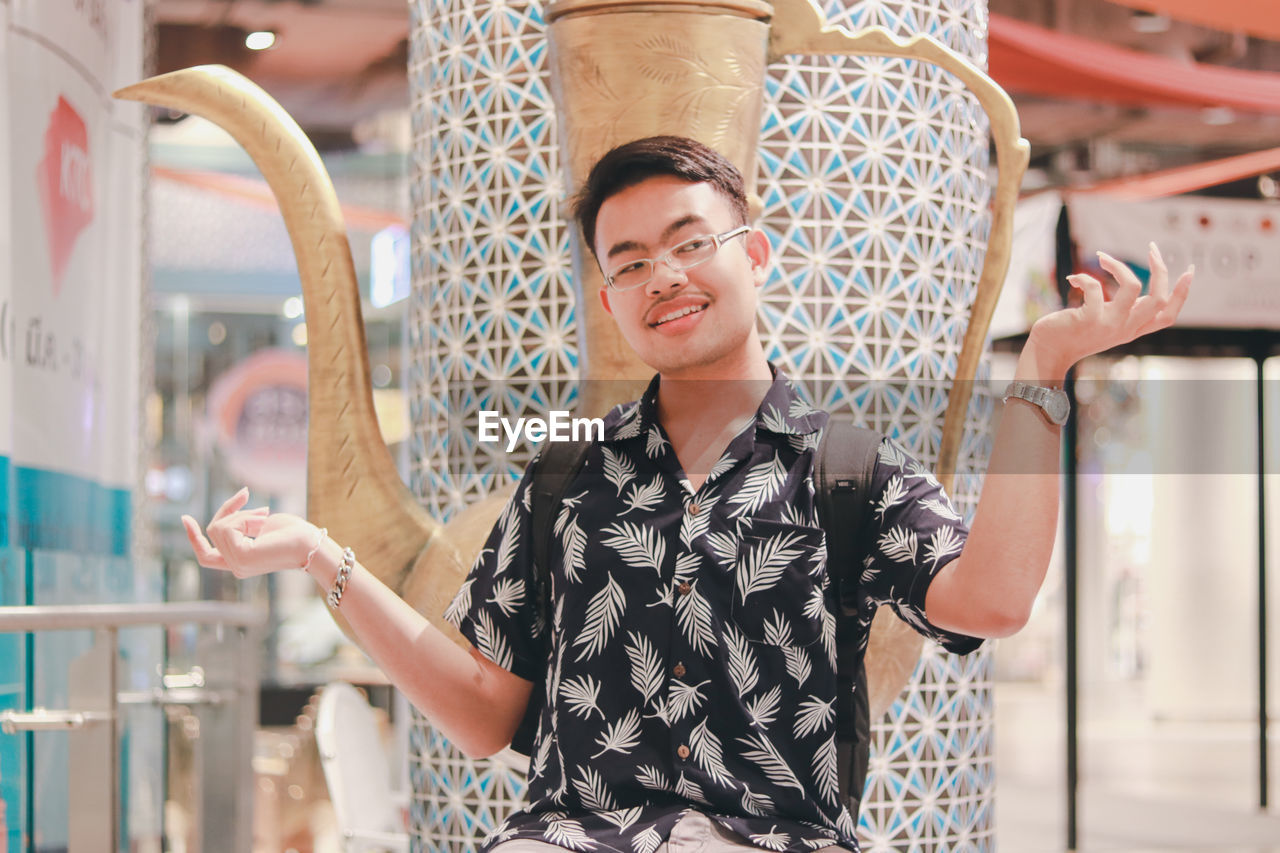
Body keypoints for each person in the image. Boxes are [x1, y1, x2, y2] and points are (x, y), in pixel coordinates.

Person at [184, 136, 1192, 852]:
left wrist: (1042, 376)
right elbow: (487, 715)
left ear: (752, 252)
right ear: (610, 299)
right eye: (629, 263)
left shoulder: (844, 467)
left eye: (688, 242)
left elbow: (994, 599)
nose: (662, 274)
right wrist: (326, 558)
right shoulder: (563, 478)